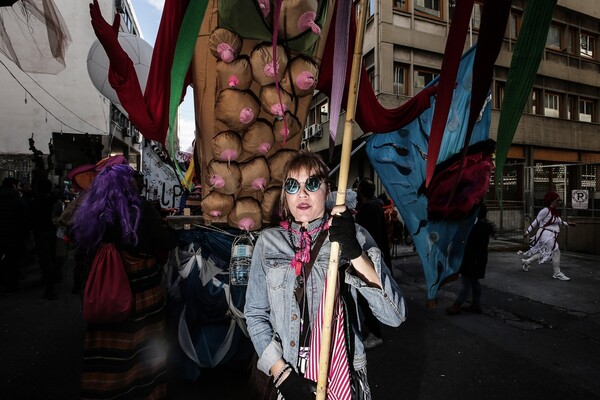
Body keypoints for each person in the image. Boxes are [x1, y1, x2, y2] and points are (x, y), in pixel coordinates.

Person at [245, 150, 405, 400]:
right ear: (285, 195)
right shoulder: (268, 243)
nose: (302, 193)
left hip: (339, 372)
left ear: (328, 191)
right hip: (287, 372)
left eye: (312, 183)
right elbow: (255, 315)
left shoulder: (354, 236)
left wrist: (354, 253)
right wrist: (282, 376)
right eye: (292, 185)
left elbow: (394, 316)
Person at [71, 164, 177, 399]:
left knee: (107, 346)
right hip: (142, 291)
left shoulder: (91, 211)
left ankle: (106, 389)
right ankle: (145, 391)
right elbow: (163, 243)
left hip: (105, 292)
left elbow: (82, 252)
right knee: (144, 343)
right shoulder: (141, 208)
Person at [354, 179, 392, 350]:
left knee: (366, 297)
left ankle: (376, 333)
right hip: (373, 256)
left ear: (361, 191)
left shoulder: (370, 208)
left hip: (369, 258)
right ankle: (372, 328)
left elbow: (365, 234)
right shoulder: (374, 206)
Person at [446, 203, 496, 315]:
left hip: (472, 259)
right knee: (474, 281)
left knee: (466, 282)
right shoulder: (481, 226)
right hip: (477, 259)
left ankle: (457, 305)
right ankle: (476, 304)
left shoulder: (477, 227)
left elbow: (470, 243)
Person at [520, 191, 575, 281]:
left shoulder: (554, 211)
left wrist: (568, 224)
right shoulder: (545, 210)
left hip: (550, 235)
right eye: (557, 200)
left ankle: (527, 261)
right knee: (556, 251)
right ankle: (557, 273)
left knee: (545, 252)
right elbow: (536, 222)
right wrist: (527, 232)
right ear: (552, 201)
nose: (559, 202)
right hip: (545, 234)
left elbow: (559, 221)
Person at [0, 177, 28, 295]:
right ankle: (11, 285)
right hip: (14, 235)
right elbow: (23, 220)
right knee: (12, 261)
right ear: (13, 185)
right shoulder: (18, 201)